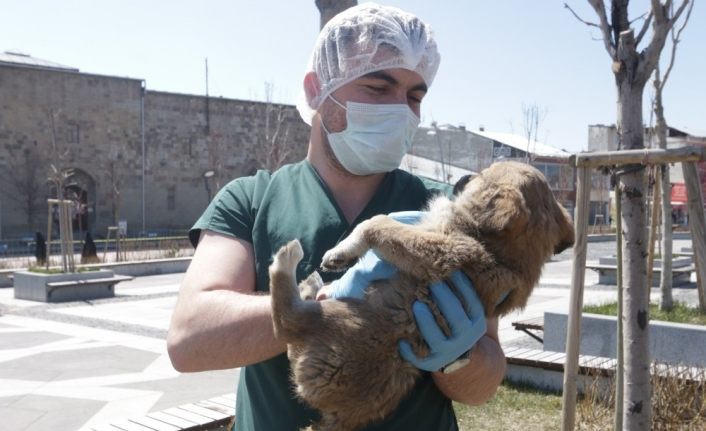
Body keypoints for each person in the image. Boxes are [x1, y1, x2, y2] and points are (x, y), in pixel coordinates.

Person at [167, 4, 506, 430]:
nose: (401, 109)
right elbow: (190, 339)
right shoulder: (251, 200)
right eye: (378, 87)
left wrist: (459, 357)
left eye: (414, 96)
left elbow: (484, 385)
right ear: (317, 89)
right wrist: (321, 306)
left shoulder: (448, 210)